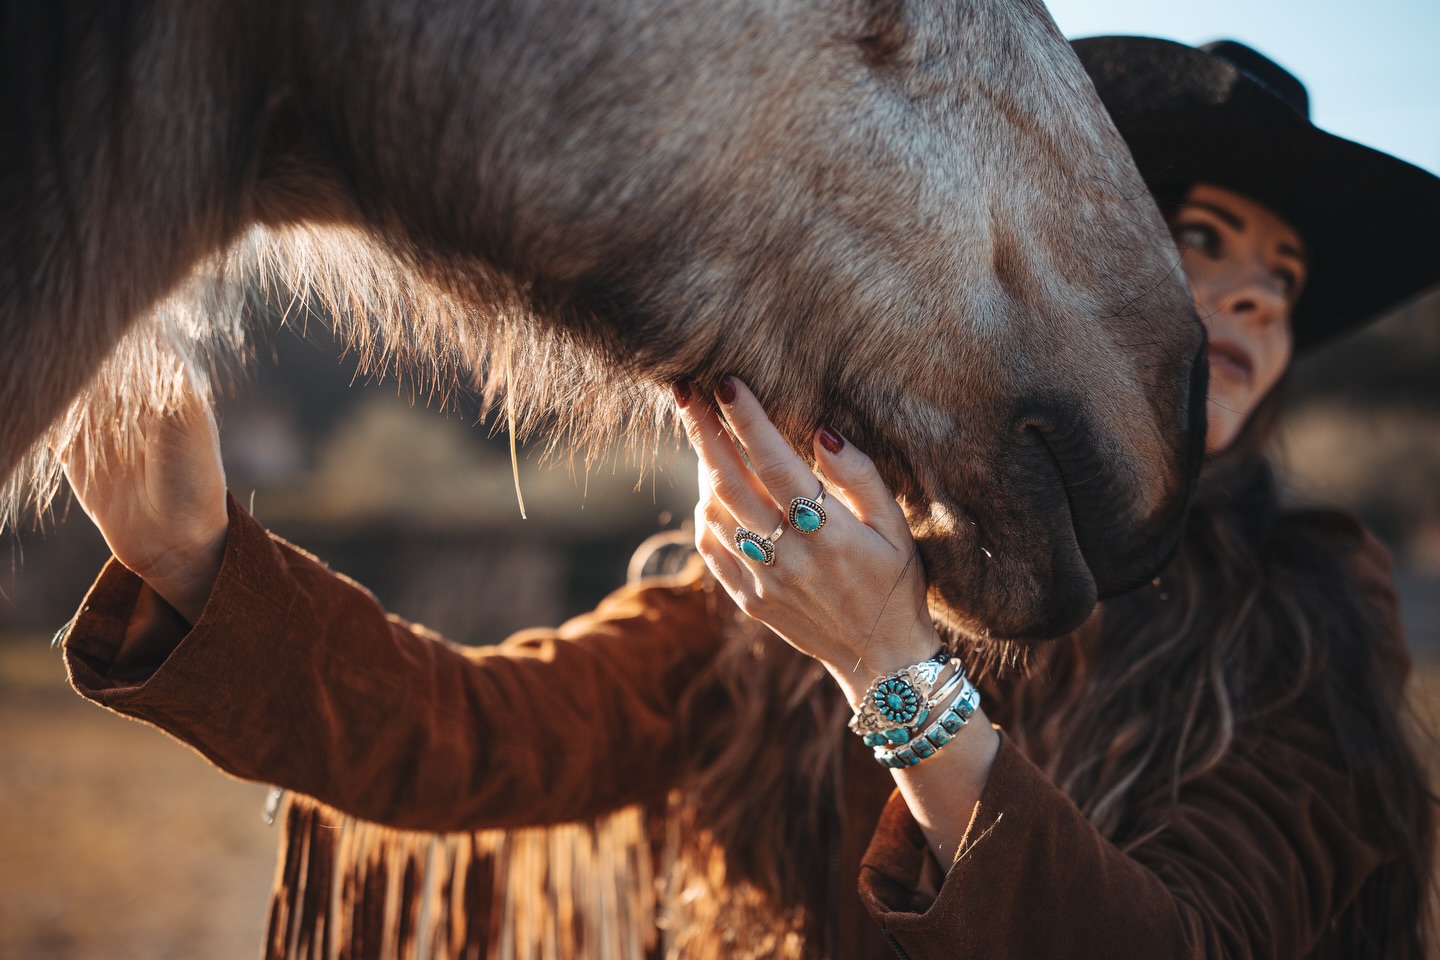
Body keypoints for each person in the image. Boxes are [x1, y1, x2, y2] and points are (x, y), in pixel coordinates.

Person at [57, 37, 1439, 958]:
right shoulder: (808, 553)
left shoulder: (1307, 616)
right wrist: (192, 558)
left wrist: (891, 670)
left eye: (1283, 277)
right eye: (1202, 237)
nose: (1254, 291)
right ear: (1082, 253)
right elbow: (476, 739)